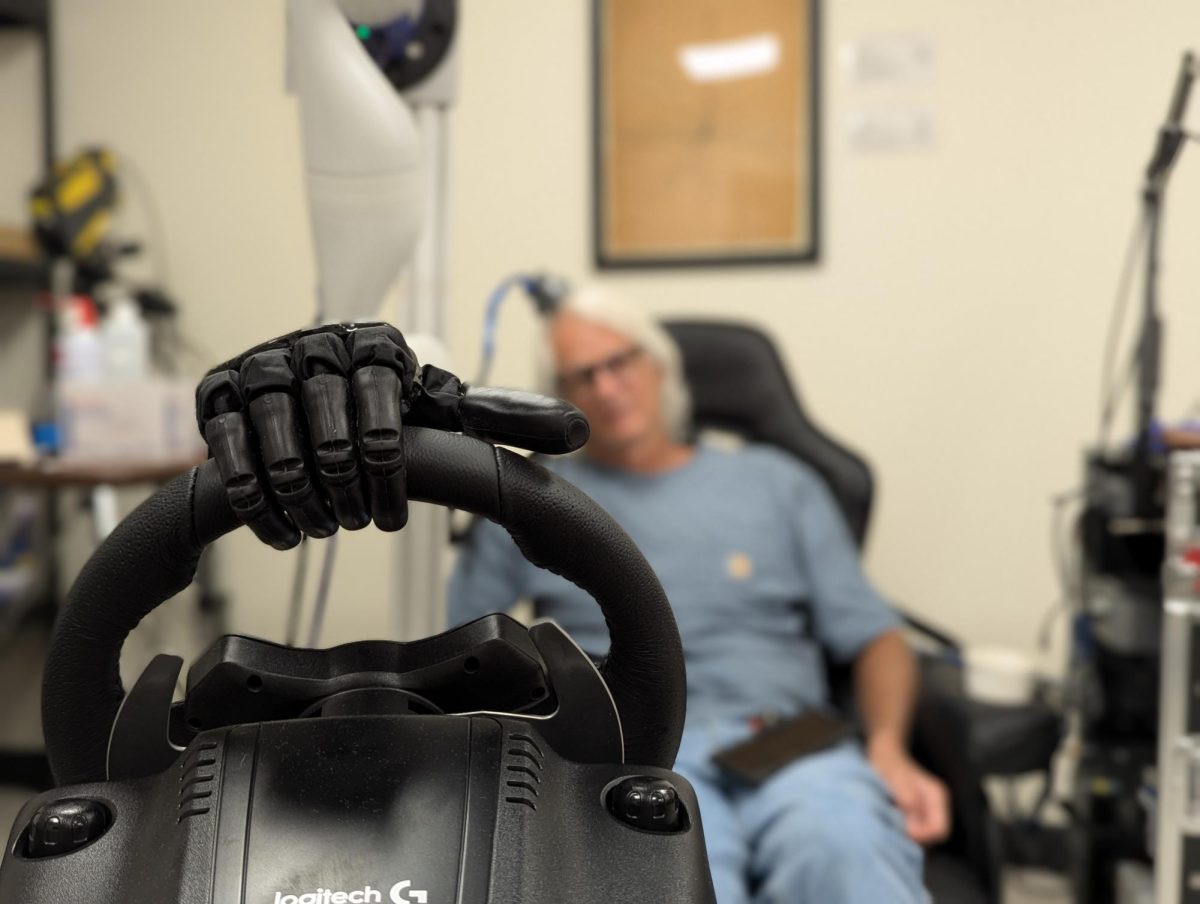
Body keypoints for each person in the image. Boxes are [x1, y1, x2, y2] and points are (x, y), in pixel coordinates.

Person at [447, 287, 949, 904]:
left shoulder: (776, 483)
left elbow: (877, 635)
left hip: (790, 742)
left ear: (660, 367)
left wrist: (889, 749)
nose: (606, 388)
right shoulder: (531, 497)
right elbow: (462, 652)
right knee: (675, 875)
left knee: (845, 847)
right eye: (582, 376)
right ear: (560, 397)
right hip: (638, 754)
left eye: (620, 362)